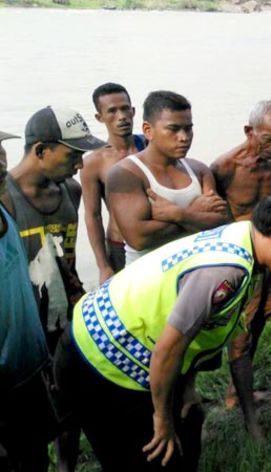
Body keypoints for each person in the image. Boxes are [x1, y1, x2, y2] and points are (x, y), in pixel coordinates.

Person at [53, 184, 271, 471]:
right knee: (157, 456)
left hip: (104, 342)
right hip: (98, 362)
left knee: (188, 428)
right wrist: (161, 420)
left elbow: (201, 329)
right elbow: (168, 348)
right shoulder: (227, 271)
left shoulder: (241, 236)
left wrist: (186, 389)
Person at [1, 106, 106, 472]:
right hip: (21, 327)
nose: (79, 164)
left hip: (63, 315)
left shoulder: (71, 191)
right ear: (41, 150)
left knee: (69, 401)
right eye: (73, 154)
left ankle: (67, 466)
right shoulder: (6, 199)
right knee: (23, 422)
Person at [210, 100, 271, 437]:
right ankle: (245, 412)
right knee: (239, 331)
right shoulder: (224, 167)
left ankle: (237, 390)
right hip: (238, 260)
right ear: (249, 131)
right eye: (268, 138)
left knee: (261, 319)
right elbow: (212, 217)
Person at [107, 90, 229, 266]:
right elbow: (138, 238)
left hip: (194, 269)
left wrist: (179, 214)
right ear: (148, 130)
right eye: (173, 129)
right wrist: (194, 214)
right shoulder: (126, 174)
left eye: (188, 128)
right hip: (148, 277)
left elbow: (219, 221)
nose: (184, 137)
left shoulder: (198, 170)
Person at [0, 129, 60, 472]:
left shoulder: (5, 208)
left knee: (36, 457)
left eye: (0, 148)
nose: (1, 161)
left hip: (28, 370)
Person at [81, 82, 146, 283]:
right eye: (112, 111)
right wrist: (103, 265)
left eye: (125, 109)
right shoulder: (94, 162)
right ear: (99, 118)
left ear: (134, 111)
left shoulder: (152, 146)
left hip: (158, 237)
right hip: (120, 245)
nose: (121, 116)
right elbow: (93, 215)